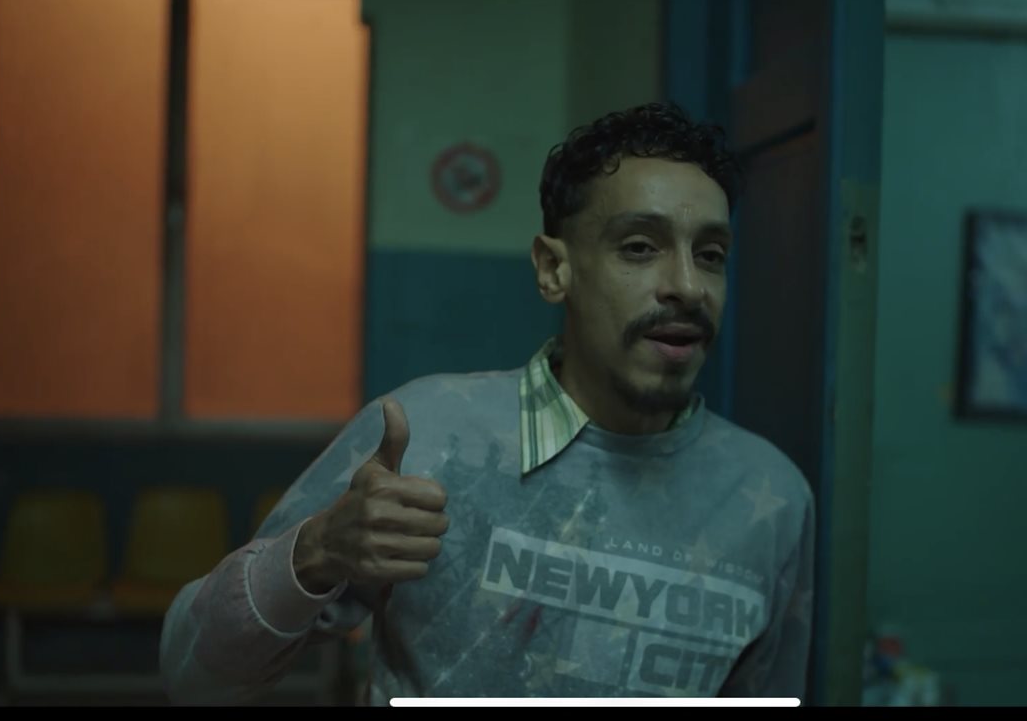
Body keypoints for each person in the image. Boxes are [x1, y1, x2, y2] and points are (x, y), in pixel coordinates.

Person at [159, 102, 816, 705]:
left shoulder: (772, 500)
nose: (688, 286)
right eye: (640, 247)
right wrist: (317, 550)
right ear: (554, 269)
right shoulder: (428, 435)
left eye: (711, 254)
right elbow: (192, 671)